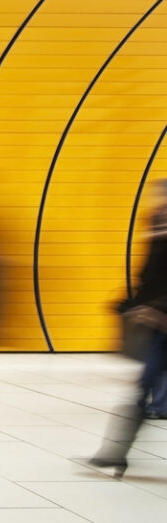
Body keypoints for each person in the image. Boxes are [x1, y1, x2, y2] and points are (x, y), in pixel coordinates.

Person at [90, 180, 167, 475]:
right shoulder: (157, 230)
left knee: (147, 384)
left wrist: (157, 306)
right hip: (160, 326)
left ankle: (115, 452)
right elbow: (149, 275)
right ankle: (116, 452)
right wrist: (131, 302)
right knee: (143, 385)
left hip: (161, 318)